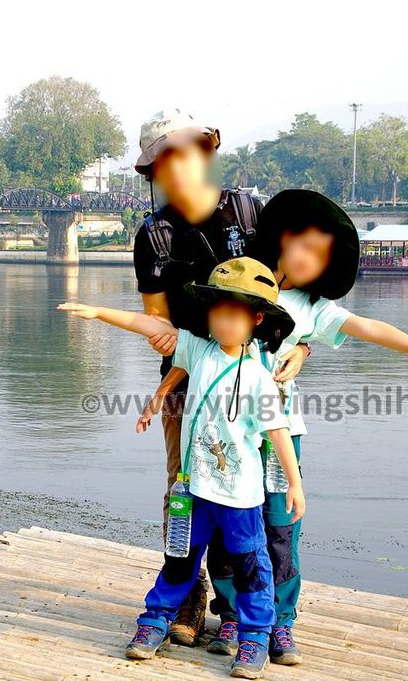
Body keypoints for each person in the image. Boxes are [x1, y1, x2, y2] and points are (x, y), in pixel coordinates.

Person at [135, 189, 408, 665]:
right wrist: (159, 393)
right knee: (226, 525)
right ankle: (234, 613)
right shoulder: (240, 283)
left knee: (280, 526)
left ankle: (280, 622)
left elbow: (372, 329)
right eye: (301, 243)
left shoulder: (313, 309)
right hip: (225, 435)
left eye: (319, 255)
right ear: (282, 238)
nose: (305, 258)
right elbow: (188, 342)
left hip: (278, 434)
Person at [58, 257, 303, 679]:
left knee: (250, 567)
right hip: (193, 491)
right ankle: (154, 621)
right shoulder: (197, 349)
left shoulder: (261, 377)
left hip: (240, 498)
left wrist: (294, 484)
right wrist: (98, 312)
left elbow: (278, 433)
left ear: (256, 319)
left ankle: (255, 638)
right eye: (218, 313)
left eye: (235, 315)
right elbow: (151, 325)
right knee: (179, 560)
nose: (225, 323)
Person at [131, 109, 309, 645]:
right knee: (183, 489)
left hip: (256, 381)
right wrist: (173, 344)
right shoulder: (154, 235)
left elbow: (291, 295)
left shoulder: (251, 214)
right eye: (164, 160)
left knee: (255, 498)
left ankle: (254, 613)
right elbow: (156, 317)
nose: (177, 168)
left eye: (185, 153)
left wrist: (300, 346)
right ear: (154, 173)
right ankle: (186, 602)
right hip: (188, 382)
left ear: (206, 152)